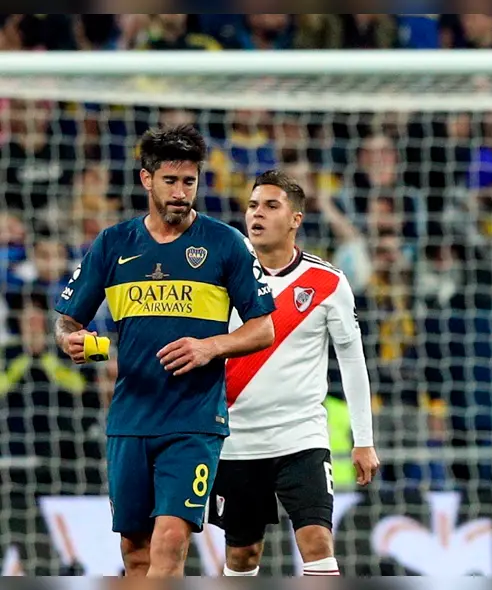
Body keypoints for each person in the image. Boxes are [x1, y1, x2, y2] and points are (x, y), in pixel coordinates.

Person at [54, 124, 276, 578]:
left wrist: (210, 346)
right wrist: (75, 344)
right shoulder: (114, 244)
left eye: (189, 182)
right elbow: (68, 320)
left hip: (194, 421)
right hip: (131, 418)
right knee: (135, 552)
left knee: (170, 540)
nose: (180, 192)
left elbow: (263, 329)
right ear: (146, 180)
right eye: (171, 181)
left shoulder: (225, 243)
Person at [208, 169, 380, 577]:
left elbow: (352, 360)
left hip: (301, 436)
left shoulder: (327, 282)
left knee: (318, 543)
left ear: (295, 219)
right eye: (252, 206)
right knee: (243, 555)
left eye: (271, 206)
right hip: (236, 438)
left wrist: (364, 440)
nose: (257, 214)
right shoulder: (220, 278)